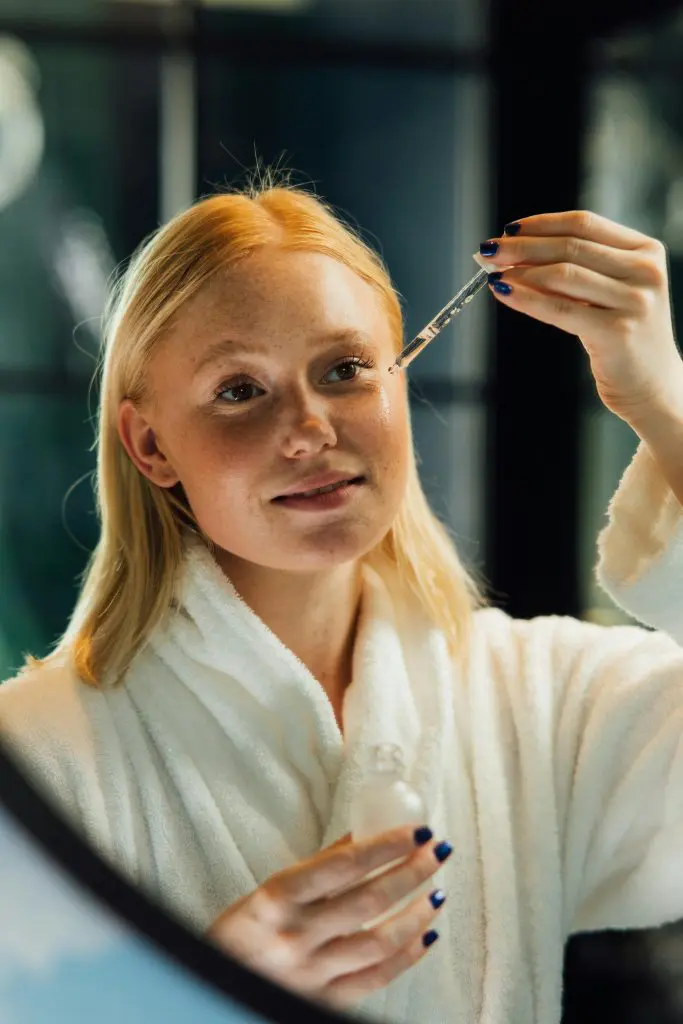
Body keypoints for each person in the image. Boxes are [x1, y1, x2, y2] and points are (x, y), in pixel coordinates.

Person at [2, 175, 683, 1024]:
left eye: (346, 369)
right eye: (239, 390)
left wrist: (665, 404)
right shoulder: (33, 758)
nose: (310, 429)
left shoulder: (539, 702)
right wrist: (193, 993)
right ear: (149, 444)